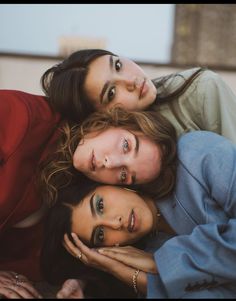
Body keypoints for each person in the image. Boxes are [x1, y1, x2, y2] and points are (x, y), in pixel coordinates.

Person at [41, 130, 236, 298]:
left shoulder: (193, 157)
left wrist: (164, 265)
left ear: (109, 184)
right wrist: (119, 270)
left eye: (100, 205)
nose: (114, 224)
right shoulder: (151, 253)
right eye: (100, 234)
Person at [41, 48, 236, 144]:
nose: (130, 81)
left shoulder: (200, 88)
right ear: (99, 118)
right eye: (111, 92)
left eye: (117, 65)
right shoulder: (113, 161)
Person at [0, 89, 88, 298]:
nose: (112, 161)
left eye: (126, 175)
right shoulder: (27, 119)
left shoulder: (65, 243)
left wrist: (84, 281)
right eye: (126, 145)